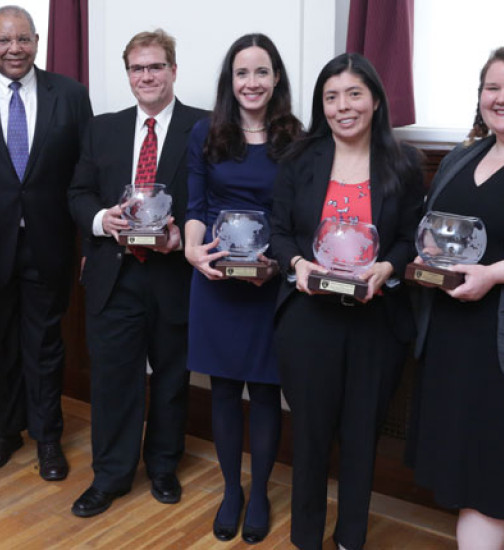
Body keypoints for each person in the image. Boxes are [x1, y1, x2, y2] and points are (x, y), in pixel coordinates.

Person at [269, 53, 422, 550]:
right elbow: (279, 231)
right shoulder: (298, 159)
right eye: (331, 97)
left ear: (376, 100)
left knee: (361, 437)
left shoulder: (403, 162)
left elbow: (407, 238)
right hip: (310, 320)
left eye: (354, 94)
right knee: (310, 436)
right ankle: (306, 537)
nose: (342, 107)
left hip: (374, 322)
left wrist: (390, 266)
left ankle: (350, 537)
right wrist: (297, 266)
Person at [0, 5, 92, 481]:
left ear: (37, 41)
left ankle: (48, 438)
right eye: (4, 40)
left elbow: (85, 175)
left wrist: (88, 242)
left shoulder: (69, 94)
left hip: (50, 242)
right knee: (1, 342)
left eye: (23, 39)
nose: (14, 49)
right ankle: (6, 431)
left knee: (46, 343)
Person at [67, 28, 204, 518]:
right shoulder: (102, 128)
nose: (146, 76)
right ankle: (111, 476)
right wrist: (104, 221)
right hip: (114, 276)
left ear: (173, 70)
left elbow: (211, 198)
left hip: (173, 274)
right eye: (137, 68)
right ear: (128, 74)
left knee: (171, 378)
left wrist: (180, 236)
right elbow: (78, 193)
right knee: (113, 381)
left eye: (156, 66)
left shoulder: (204, 128)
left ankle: (164, 467)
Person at [183, 33, 300, 544]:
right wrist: (192, 251)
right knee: (226, 390)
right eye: (242, 73)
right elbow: (195, 206)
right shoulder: (205, 133)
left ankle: (260, 492)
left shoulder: (298, 138)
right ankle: (232, 490)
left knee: (268, 391)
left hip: (270, 282)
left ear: (276, 79)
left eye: (261, 71)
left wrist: (280, 261)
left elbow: (296, 215)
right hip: (215, 279)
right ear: (230, 81)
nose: (251, 82)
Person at [408, 47, 504, 549]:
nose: (500, 97)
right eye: (493, 87)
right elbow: (433, 228)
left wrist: (493, 274)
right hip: (452, 339)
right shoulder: (467, 153)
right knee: (472, 477)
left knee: (492, 482)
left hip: (497, 345)